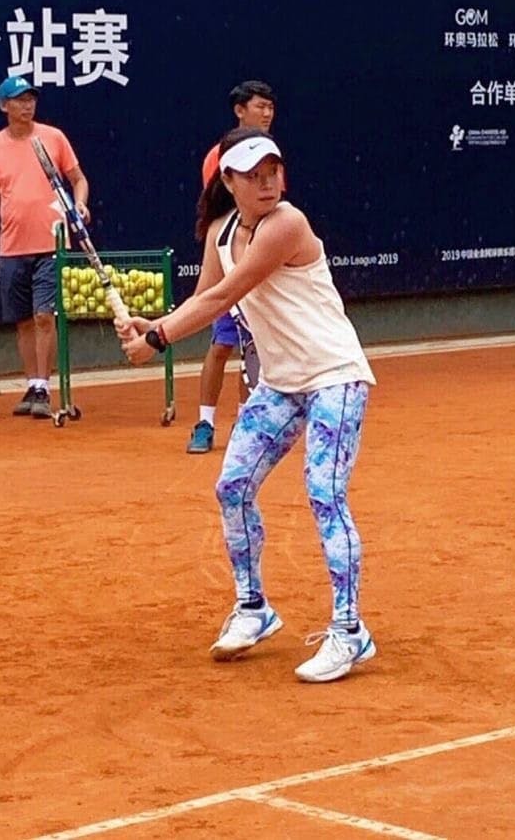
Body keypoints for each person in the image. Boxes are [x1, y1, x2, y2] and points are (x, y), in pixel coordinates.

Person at [117, 127, 377, 684]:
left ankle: (350, 629)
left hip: (335, 376)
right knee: (232, 487)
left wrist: (158, 339)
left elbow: (225, 295)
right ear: (228, 180)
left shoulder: (287, 224)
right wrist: (153, 323)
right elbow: (204, 300)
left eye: (272, 172)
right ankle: (254, 607)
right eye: (253, 176)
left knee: (324, 494)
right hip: (281, 383)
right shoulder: (221, 233)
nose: (267, 183)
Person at [0, 75, 90, 418]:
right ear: (4, 106)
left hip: (53, 243)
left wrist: (79, 204)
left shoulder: (53, 138)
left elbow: (78, 179)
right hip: (12, 248)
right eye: (20, 100)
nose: (27, 105)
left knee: (43, 316)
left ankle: (43, 387)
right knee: (24, 321)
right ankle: (32, 383)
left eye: (31, 99)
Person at [187, 79, 277, 454]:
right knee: (223, 343)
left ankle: (245, 421)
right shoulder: (220, 156)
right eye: (260, 106)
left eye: (270, 107)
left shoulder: (272, 155)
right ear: (240, 111)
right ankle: (205, 423)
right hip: (228, 261)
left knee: (254, 346)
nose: (267, 113)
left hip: (258, 265)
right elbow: (220, 211)